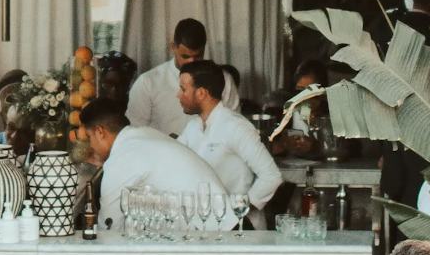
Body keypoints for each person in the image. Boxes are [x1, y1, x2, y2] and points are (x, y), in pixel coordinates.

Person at [74, 101, 230, 232]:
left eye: (89, 137)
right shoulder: (145, 135)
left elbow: (109, 228)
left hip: (218, 235)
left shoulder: (123, 156)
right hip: (226, 225)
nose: (91, 145)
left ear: (100, 132)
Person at [179, 59, 281, 214]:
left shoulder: (235, 126)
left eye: (183, 89)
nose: (177, 95)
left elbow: (272, 177)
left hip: (239, 230)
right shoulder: (192, 127)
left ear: (201, 93)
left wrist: (238, 212)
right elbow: (175, 163)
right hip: (207, 225)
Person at [126, 16, 204, 138]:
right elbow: (135, 132)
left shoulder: (222, 81)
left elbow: (229, 125)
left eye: (198, 56)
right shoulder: (147, 83)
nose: (192, 62)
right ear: (173, 47)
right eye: (185, 56)